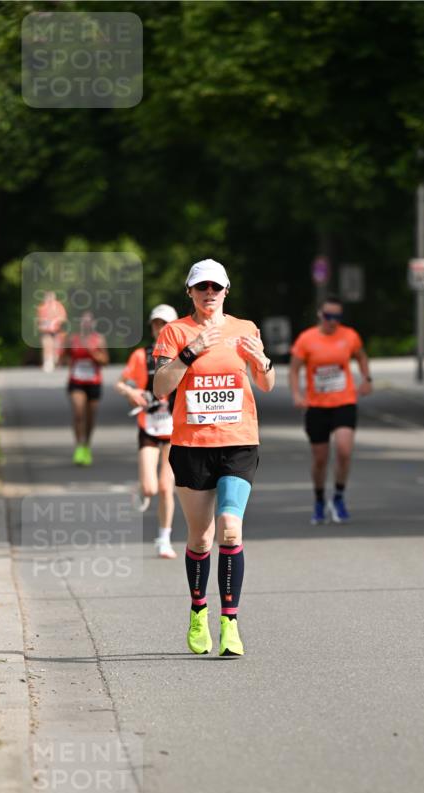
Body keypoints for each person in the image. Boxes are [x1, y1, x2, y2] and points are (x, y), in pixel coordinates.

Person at [152, 259, 275, 657]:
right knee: (201, 537)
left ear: (226, 291)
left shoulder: (245, 329)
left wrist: (263, 361)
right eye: (201, 287)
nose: (209, 293)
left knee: (230, 529)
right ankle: (198, 611)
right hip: (191, 445)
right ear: (189, 292)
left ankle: (230, 623)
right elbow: (159, 389)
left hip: (239, 441)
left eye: (216, 287)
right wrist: (190, 353)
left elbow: (267, 384)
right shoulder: (174, 333)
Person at [290, 295, 372, 524]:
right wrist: (297, 394)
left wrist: (367, 379)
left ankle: (338, 496)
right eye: (328, 316)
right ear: (320, 314)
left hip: (344, 402)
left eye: (337, 316)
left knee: (344, 451)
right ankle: (318, 499)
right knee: (320, 459)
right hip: (316, 406)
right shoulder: (307, 339)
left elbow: (361, 357)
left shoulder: (349, 336)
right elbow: (295, 369)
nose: (333, 321)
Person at [116, 305, 179, 559]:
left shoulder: (183, 355)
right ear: (152, 327)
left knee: (166, 487)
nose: (160, 328)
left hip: (175, 429)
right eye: (156, 323)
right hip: (149, 428)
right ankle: (140, 488)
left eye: (165, 323)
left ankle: (164, 539)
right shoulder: (142, 356)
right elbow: (122, 383)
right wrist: (132, 393)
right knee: (151, 488)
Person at [60, 311, 109, 465]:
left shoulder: (99, 340)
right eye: (83, 321)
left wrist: (93, 353)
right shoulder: (72, 339)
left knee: (90, 417)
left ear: (93, 324)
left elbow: (105, 361)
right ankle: (79, 446)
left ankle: (87, 444)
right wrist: (67, 359)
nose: (86, 324)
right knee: (79, 413)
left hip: (94, 382)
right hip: (77, 381)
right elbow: (63, 357)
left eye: (89, 321)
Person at [36, 291, 67, 372]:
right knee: (46, 346)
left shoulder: (58, 306)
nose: (48, 299)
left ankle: (55, 360)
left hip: (56, 330)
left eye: (50, 297)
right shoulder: (42, 307)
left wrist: (56, 322)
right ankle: (47, 362)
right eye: (47, 297)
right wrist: (42, 325)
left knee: (56, 346)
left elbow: (63, 317)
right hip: (46, 331)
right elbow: (39, 319)